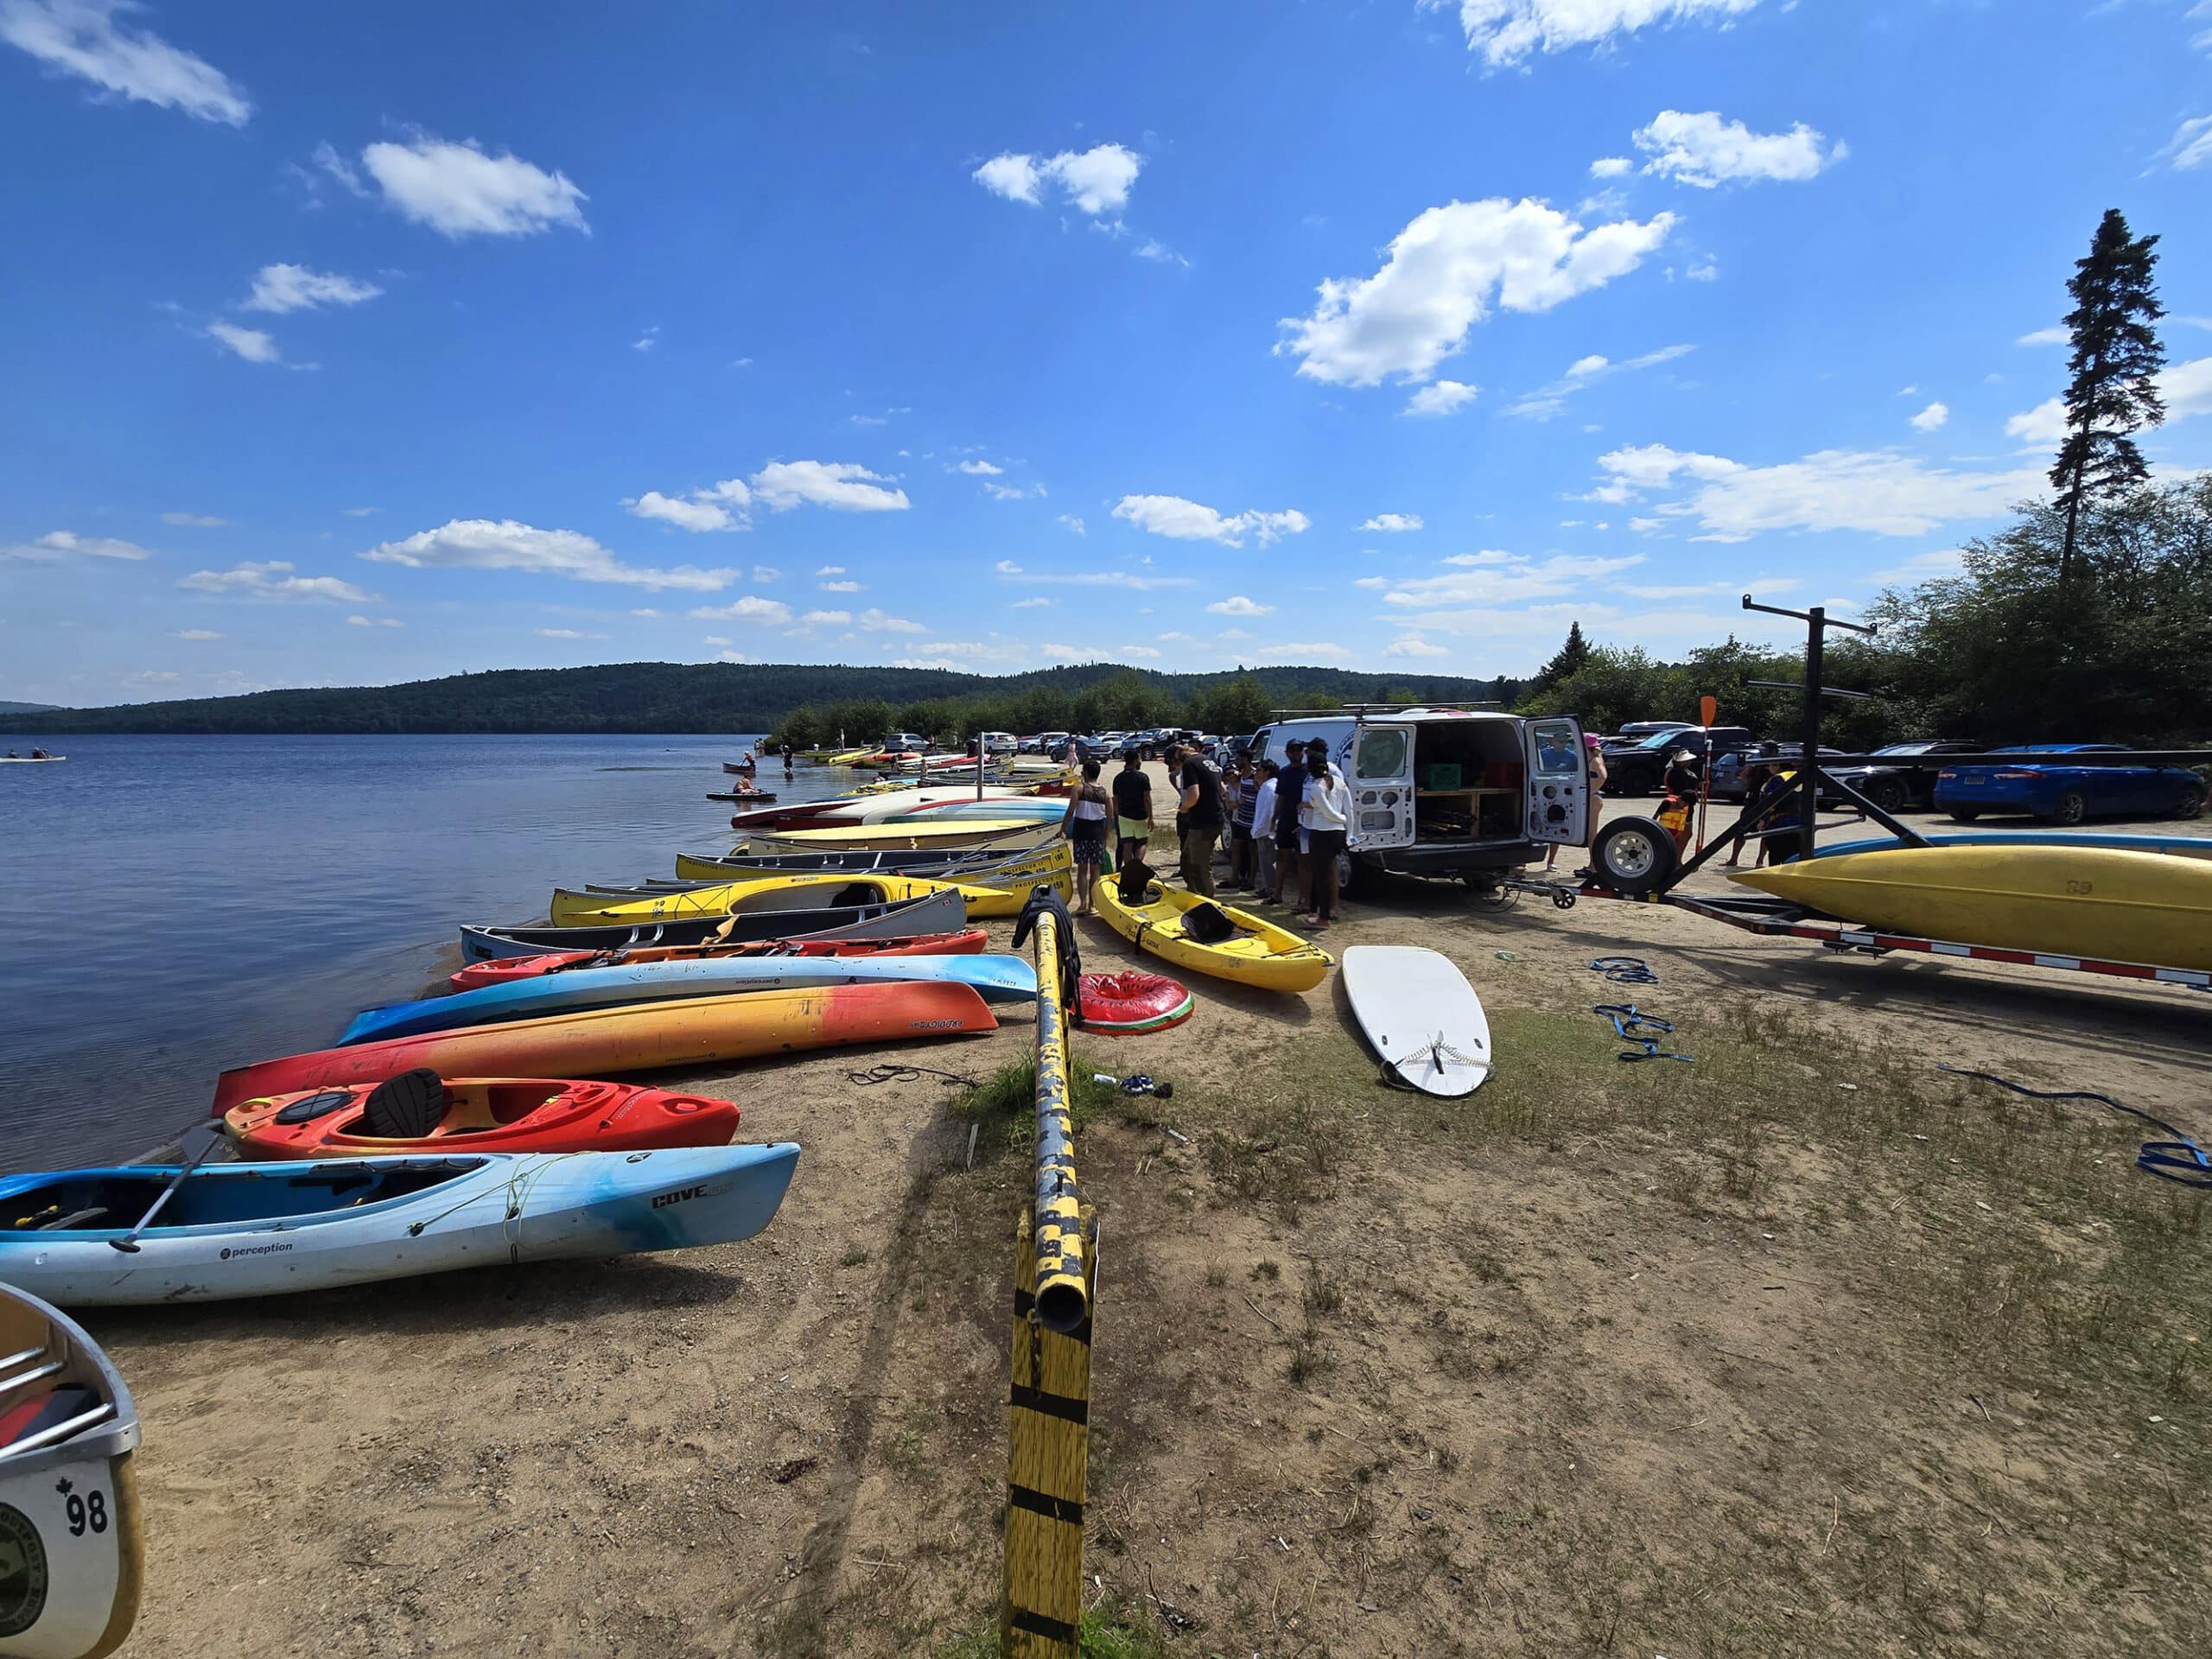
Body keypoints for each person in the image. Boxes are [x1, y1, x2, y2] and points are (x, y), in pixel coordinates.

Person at [1299, 746, 1352, 930]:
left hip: (1323, 832)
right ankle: (1327, 912)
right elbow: (1349, 807)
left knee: (1322, 876)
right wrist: (1349, 828)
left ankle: (1323, 918)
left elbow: (1330, 812)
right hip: (1337, 833)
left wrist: (1342, 819)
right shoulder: (1338, 781)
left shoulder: (1316, 786)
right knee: (1329, 872)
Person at [1547, 733, 1608, 873]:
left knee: (1592, 835)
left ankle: (1594, 867)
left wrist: (1590, 791)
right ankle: (1592, 865)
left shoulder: (1595, 761)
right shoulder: (1591, 759)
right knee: (1589, 834)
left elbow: (1602, 776)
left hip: (1593, 799)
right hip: (1591, 798)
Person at [1169, 741, 1224, 897]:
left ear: (1180, 761)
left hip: (1204, 822)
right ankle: (1193, 892)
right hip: (1215, 818)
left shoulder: (1189, 765)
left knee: (1200, 865)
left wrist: (1184, 808)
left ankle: (1207, 900)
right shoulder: (1208, 760)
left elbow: (1193, 796)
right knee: (1187, 858)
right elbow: (1223, 789)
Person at [1060, 759, 1112, 913]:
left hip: (1082, 833)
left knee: (1082, 870)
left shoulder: (1078, 789)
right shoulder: (1105, 794)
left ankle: (1082, 904)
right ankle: (1092, 905)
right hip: (1097, 834)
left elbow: (1070, 811)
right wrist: (1106, 836)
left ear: (1086, 773)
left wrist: (1063, 828)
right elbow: (1110, 818)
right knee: (1095, 871)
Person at [1270, 739, 1306, 906]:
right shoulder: (1284, 772)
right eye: (1292, 750)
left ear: (1303, 752)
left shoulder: (1308, 772)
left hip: (1303, 821)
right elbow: (1281, 796)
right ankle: (1277, 894)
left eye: (1299, 750)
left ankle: (1303, 898)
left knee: (1302, 859)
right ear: (1287, 753)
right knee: (1282, 856)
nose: (1296, 753)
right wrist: (1274, 817)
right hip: (1285, 819)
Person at [1111, 747, 1153, 870]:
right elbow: (1147, 799)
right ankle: (1137, 866)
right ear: (1135, 760)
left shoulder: (1118, 778)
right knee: (1142, 843)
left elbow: (1116, 799)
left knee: (1127, 844)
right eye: (1139, 759)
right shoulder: (1143, 777)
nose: (1140, 761)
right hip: (1140, 815)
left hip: (1124, 815)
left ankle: (1129, 868)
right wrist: (1151, 817)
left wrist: (1118, 814)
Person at [1249, 760, 1280, 903]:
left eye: (1259, 770)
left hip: (1266, 831)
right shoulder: (1266, 786)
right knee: (1265, 861)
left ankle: (1271, 889)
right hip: (1264, 830)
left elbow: (1268, 812)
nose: (1256, 773)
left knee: (1268, 861)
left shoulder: (1269, 788)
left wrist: (1259, 830)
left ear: (1267, 772)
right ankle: (1268, 887)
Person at [1228, 756, 1259, 889]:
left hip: (1253, 819)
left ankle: (1250, 880)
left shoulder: (1255, 776)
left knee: (1253, 850)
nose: (1236, 762)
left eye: (1239, 759)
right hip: (1240, 819)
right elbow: (1229, 804)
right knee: (1236, 847)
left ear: (1245, 760)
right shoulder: (1240, 778)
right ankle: (1235, 878)